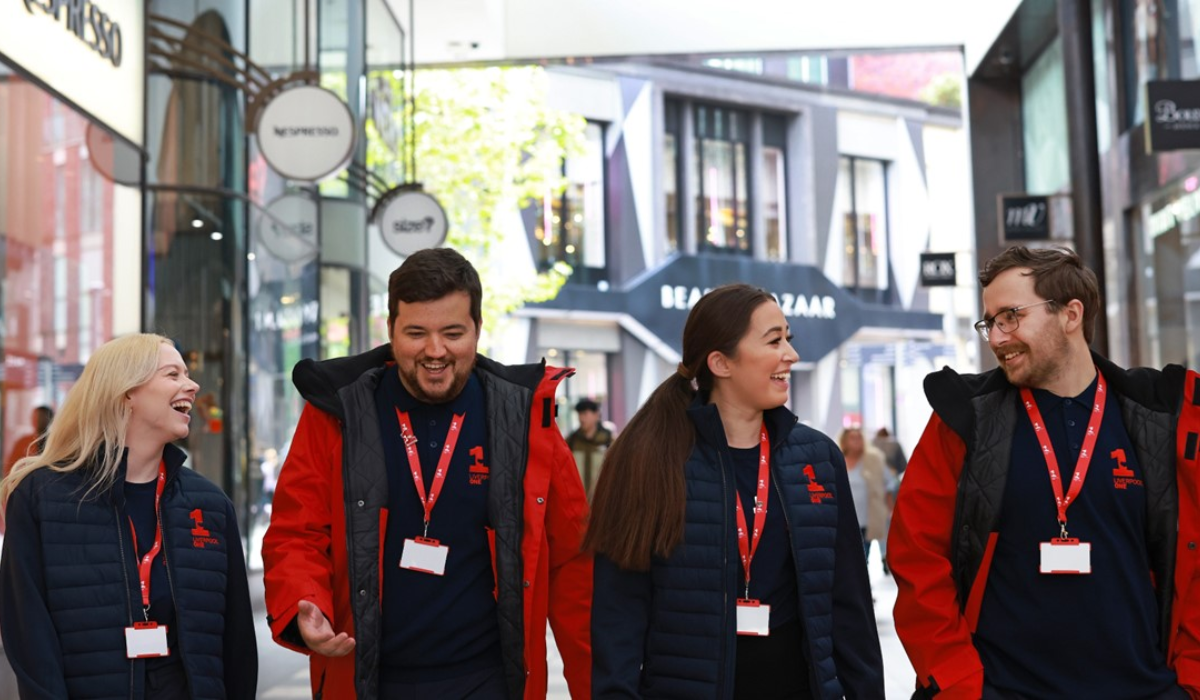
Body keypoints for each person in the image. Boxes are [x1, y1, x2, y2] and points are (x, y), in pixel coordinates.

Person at [262, 247, 592, 700]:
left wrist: (595, 685)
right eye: (416, 333)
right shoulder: (337, 413)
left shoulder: (524, 417)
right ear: (391, 329)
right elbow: (295, 533)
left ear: (477, 328)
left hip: (490, 681)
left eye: (453, 333)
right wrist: (305, 602)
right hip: (368, 680)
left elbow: (573, 564)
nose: (435, 351)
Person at [889, 246, 1200, 699]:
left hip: (1142, 688)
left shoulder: (1160, 416)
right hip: (1004, 690)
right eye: (990, 322)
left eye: (1011, 316)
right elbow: (916, 558)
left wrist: (1188, 682)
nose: (997, 337)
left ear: (1070, 315)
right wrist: (959, 683)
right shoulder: (963, 421)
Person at [587, 283, 884, 699]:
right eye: (774, 340)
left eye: (789, 338)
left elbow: (849, 609)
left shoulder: (817, 458)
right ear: (721, 363)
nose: (791, 355)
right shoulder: (647, 458)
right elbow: (617, 617)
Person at [0, 333, 258, 699]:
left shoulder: (211, 506)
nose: (192, 385)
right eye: (173, 375)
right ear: (126, 394)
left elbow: (237, 649)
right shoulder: (40, 498)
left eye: (187, 374)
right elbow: (28, 637)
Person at [838, 427, 890, 568]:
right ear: (844, 441)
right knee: (847, 556)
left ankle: (862, 585)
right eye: (852, 438)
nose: (857, 441)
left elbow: (889, 482)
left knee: (862, 556)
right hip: (844, 518)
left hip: (867, 518)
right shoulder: (837, 459)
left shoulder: (874, 459)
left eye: (859, 437)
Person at [566, 397, 614, 496]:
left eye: (585, 413)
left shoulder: (609, 440)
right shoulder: (571, 440)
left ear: (596, 415)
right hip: (576, 498)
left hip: (602, 497)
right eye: (579, 414)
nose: (581, 418)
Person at [4, 405, 54, 477]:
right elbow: (10, 468)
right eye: (35, 417)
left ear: (51, 419)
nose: (37, 420)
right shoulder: (23, 442)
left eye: (41, 417)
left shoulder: (56, 442)